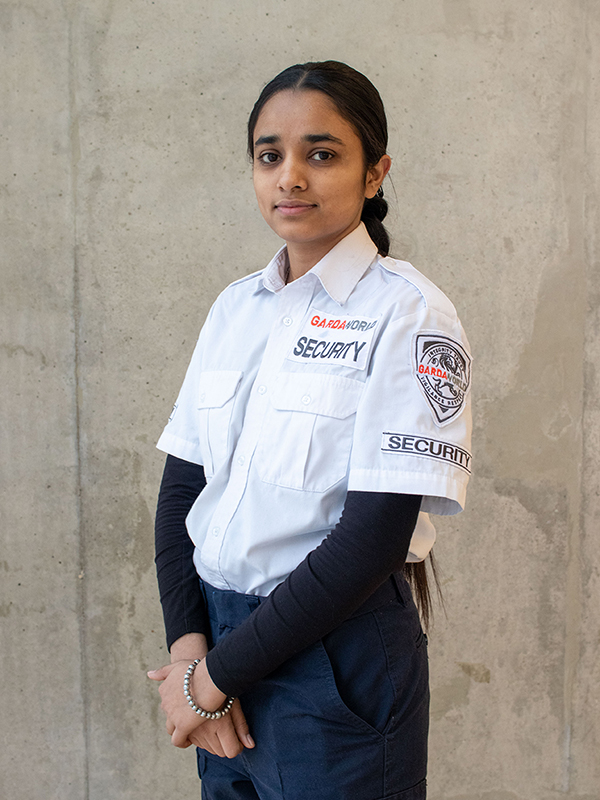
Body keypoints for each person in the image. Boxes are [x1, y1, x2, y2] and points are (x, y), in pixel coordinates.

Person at [148, 61, 472, 800]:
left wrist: (211, 681)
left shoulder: (409, 315)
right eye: (271, 156)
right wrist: (192, 652)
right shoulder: (235, 309)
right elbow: (181, 493)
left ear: (374, 172)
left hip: (336, 661)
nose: (290, 176)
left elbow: (372, 539)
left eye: (321, 154)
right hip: (220, 649)